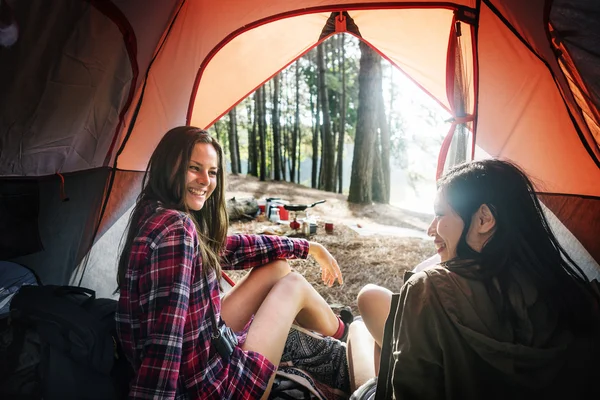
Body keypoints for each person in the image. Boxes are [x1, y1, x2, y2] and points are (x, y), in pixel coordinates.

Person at [115, 126, 349, 400]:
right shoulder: (176, 230)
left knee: (277, 267)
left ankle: (334, 333)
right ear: (170, 165)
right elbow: (164, 342)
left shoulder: (154, 211)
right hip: (214, 388)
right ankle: (343, 339)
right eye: (194, 168)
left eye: (212, 172)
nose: (205, 181)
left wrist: (307, 246)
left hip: (204, 349)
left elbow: (229, 248)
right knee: (294, 284)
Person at [350, 159, 600, 399]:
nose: (431, 229)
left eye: (440, 214)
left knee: (358, 330)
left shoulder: (429, 288)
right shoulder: (573, 294)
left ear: (484, 219)